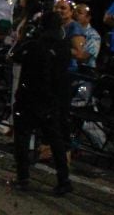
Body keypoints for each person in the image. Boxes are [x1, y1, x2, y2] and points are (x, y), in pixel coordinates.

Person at [10, 11, 73, 195]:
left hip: (29, 98)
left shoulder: (35, 44)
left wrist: (24, 37)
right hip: (51, 99)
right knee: (55, 141)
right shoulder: (63, 45)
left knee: (22, 138)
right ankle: (64, 179)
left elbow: (15, 55)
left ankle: (23, 177)